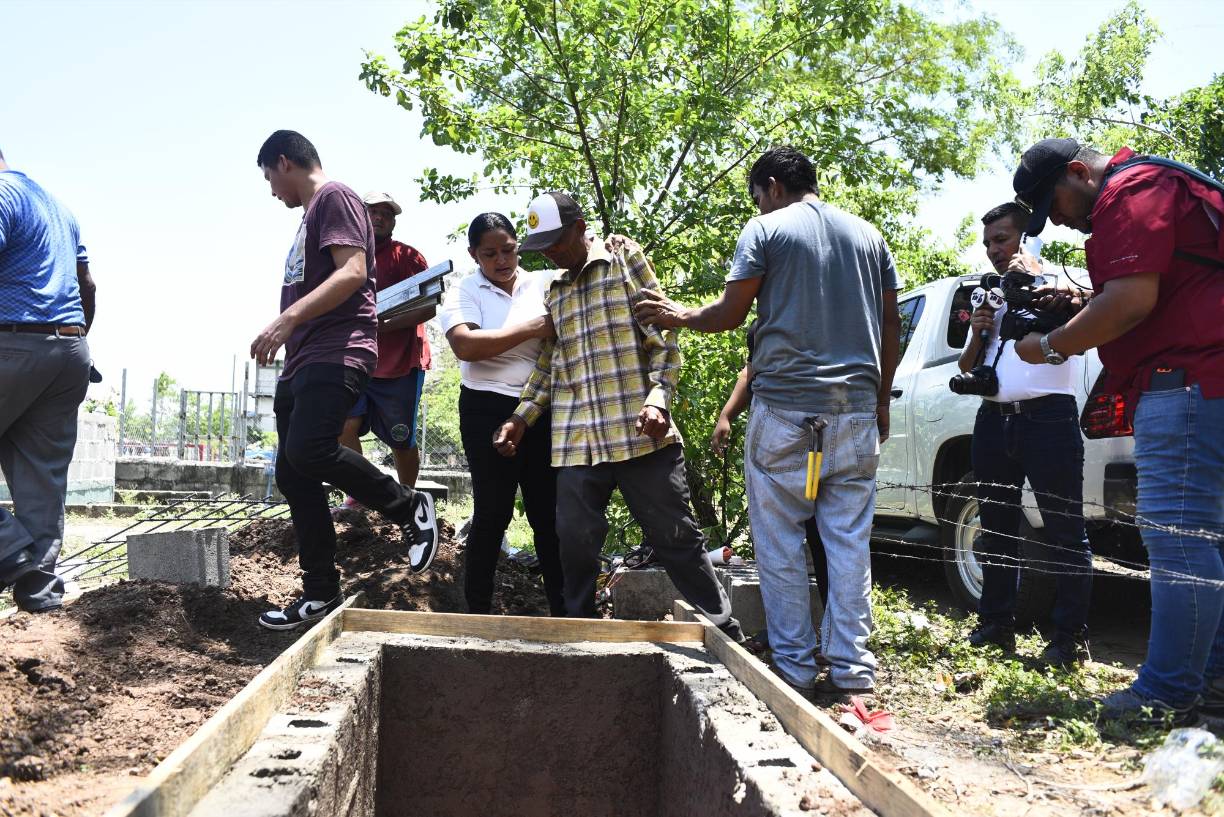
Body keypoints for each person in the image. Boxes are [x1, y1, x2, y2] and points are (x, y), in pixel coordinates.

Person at [634, 146, 901, 699]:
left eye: (758, 194)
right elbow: (890, 325)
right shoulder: (869, 237)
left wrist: (676, 312)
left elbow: (731, 315)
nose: (758, 203)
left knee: (779, 547)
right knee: (849, 545)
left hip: (785, 414)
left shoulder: (766, 229)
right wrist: (880, 399)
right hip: (853, 412)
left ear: (773, 186)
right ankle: (853, 671)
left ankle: (796, 671)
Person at [1011, 137, 1224, 722]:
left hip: (1186, 381)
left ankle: (1165, 693)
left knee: (1180, 541)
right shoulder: (1164, 183)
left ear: (1078, 172)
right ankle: (1212, 686)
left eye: (1052, 204)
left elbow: (1131, 301)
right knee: (1208, 542)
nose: (1054, 221)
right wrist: (1083, 299)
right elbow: (1167, 287)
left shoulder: (1130, 190)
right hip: (1207, 382)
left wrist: (1050, 346)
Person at [492, 191, 740, 638]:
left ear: (579, 226)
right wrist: (521, 418)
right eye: (541, 246)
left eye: (555, 240)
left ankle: (723, 628)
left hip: (640, 432)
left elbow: (661, 339)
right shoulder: (554, 291)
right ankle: (579, 634)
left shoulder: (624, 259)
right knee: (574, 542)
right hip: (577, 442)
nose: (549, 252)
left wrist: (658, 398)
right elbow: (549, 365)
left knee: (676, 536)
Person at [251, 130, 438, 630]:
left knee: (311, 451)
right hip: (304, 359)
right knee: (294, 472)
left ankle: (409, 505)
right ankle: (320, 593)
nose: (272, 192)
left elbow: (353, 272)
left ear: (284, 162)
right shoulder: (311, 214)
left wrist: (286, 320)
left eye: (270, 178)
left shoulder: (335, 197)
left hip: (337, 352)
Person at [957, 202, 1091, 667]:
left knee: (1063, 531)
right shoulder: (987, 293)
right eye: (989, 242)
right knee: (995, 528)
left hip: (1048, 419)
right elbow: (965, 367)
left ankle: (1068, 637)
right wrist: (978, 331)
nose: (994, 250)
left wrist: (1035, 279)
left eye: (1002, 239)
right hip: (993, 419)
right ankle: (996, 624)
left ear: (1025, 236)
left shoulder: (1060, 282)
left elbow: (1080, 332)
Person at [439, 213, 565, 615]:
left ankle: (565, 612)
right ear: (473, 254)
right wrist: (532, 328)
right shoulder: (463, 289)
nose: (501, 260)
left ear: (518, 246)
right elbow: (466, 346)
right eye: (489, 253)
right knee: (493, 512)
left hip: (540, 408)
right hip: (484, 408)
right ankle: (477, 610)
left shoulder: (544, 282)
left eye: (508, 250)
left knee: (549, 514)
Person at [0, 148, 95, 613]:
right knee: (41, 479)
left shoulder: (3, 195)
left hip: (12, 344)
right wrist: (70, 343)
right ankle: (39, 597)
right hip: (69, 351)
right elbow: (87, 285)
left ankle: (9, 553)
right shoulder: (57, 208)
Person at [712, 322, 829, 612]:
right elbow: (751, 370)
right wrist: (726, 415)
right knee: (780, 541)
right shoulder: (761, 327)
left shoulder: (829, 317)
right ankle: (791, 636)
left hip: (824, 439)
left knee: (824, 539)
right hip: (779, 444)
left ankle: (832, 635)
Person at [333, 191, 432, 509]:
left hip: (400, 362)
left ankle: (406, 500)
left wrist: (379, 325)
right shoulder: (344, 257)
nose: (378, 218)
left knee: (401, 437)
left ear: (394, 221)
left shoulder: (409, 257)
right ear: (360, 216)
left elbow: (427, 307)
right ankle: (362, 493)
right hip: (356, 359)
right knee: (344, 426)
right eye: (372, 211)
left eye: (386, 214)